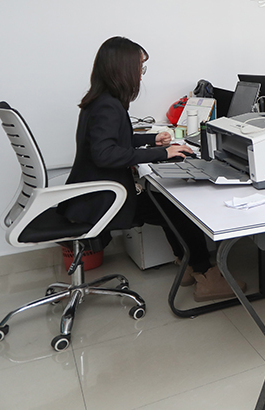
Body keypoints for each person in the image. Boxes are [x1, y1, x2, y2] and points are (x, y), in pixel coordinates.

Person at [62, 36, 239, 302]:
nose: (141, 75)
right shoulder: (108, 106)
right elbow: (105, 154)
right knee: (178, 208)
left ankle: (189, 265)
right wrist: (163, 152)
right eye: (139, 67)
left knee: (165, 203)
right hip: (102, 198)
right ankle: (205, 276)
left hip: (93, 192)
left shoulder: (100, 101)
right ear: (122, 69)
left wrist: (151, 139)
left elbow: (115, 141)